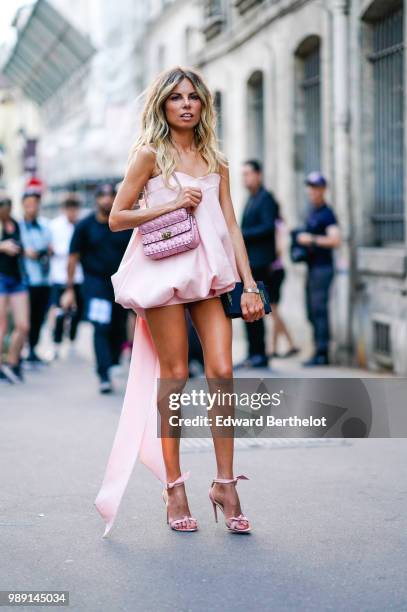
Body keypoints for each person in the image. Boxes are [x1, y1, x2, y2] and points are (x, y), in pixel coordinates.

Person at [93, 66, 265, 538]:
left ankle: (226, 484)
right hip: (164, 276)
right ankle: (174, 486)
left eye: (194, 97)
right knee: (174, 376)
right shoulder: (150, 155)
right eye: (176, 98)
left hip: (210, 275)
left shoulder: (216, 159)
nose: (186, 104)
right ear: (163, 106)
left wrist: (249, 285)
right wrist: (170, 203)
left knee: (222, 371)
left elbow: (231, 225)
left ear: (203, 105)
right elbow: (116, 218)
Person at [61, 184, 131, 394]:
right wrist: (69, 289)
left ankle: (112, 361)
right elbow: (72, 258)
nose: (107, 199)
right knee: (101, 325)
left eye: (111, 195)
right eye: (102, 196)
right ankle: (103, 373)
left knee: (118, 325)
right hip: (95, 283)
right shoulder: (84, 226)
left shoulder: (124, 223)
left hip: (120, 283)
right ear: (96, 200)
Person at [236, 159, 278, 369]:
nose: (245, 179)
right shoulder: (251, 199)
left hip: (262, 263)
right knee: (248, 309)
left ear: (258, 175)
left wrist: (242, 235)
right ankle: (253, 352)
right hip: (251, 264)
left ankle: (260, 354)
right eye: (242, 175)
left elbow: (268, 227)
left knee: (258, 309)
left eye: (248, 174)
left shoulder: (266, 199)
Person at [296, 172, 341, 366]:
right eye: (310, 187)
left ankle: (322, 353)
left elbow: (335, 239)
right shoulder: (311, 212)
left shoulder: (326, 213)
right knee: (311, 311)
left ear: (323, 189)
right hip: (313, 267)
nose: (311, 191)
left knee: (319, 310)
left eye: (315, 187)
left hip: (323, 269)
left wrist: (311, 239)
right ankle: (317, 349)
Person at [19, 192, 53, 366]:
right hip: (25, 280)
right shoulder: (18, 226)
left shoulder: (45, 226)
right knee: (26, 318)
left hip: (43, 279)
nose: (32, 207)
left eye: (35, 203)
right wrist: (26, 252)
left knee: (40, 317)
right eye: (28, 204)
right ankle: (20, 351)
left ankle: (33, 349)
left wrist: (46, 251)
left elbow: (49, 247)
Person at [49, 195, 84, 359]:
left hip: (78, 276)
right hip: (59, 276)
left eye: (74, 208)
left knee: (76, 312)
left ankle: (72, 341)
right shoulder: (55, 226)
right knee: (59, 312)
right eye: (69, 208)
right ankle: (56, 344)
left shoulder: (81, 226)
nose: (72, 212)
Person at [0, 195, 29, 383]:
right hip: (1, 277)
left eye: (9, 204)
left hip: (17, 277)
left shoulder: (16, 224)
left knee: (23, 325)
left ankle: (11, 362)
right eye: (3, 204)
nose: (7, 207)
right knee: (1, 325)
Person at [268, 205, 299, 358]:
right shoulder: (281, 225)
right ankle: (273, 348)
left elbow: (279, 249)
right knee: (274, 309)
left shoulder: (277, 226)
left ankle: (290, 343)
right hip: (278, 270)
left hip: (275, 270)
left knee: (273, 309)